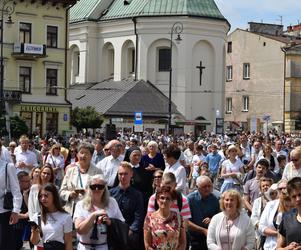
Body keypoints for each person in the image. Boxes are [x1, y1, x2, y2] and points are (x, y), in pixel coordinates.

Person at [73, 174, 125, 250]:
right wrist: (93, 216)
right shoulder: (81, 205)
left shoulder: (112, 202)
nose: (97, 189)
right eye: (93, 187)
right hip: (85, 247)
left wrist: (110, 222)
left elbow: (122, 224)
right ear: (88, 188)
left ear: (104, 188)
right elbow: (80, 230)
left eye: (100, 186)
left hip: (104, 246)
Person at [60, 142, 103, 214]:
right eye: (81, 152)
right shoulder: (70, 171)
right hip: (72, 209)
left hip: (90, 209)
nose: (83, 156)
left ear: (91, 156)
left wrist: (89, 193)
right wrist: (70, 194)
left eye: (86, 153)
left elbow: (102, 192)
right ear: (77, 154)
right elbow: (62, 191)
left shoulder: (97, 172)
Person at [110, 162, 144, 250]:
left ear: (131, 174)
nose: (123, 177)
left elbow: (139, 216)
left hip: (131, 235)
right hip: (113, 234)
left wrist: (131, 230)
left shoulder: (137, 195)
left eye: (126, 174)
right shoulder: (110, 194)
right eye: (120, 174)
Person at [30, 183, 73, 250]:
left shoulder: (66, 217)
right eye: (40, 196)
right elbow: (34, 242)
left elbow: (68, 242)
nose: (43, 199)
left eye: (46, 195)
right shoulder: (37, 216)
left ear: (54, 196)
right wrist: (34, 232)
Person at [144, 185, 186, 250]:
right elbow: (147, 245)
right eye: (162, 198)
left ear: (172, 202)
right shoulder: (149, 218)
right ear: (157, 200)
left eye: (168, 198)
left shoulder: (179, 218)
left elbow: (183, 243)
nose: (164, 201)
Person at [187, 175, 220, 250]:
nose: (207, 189)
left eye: (209, 186)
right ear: (197, 186)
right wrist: (203, 230)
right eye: (204, 186)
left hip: (211, 237)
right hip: (195, 238)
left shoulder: (215, 199)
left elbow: (220, 218)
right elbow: (187, 222)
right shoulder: (190, 200)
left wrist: (212, 219)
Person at [259, 180, 292, 250]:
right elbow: (261, 227)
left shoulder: (295, 205)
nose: (283, 190)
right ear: (277, 190)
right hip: (270, 246)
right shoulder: (270, 205)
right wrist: (278, 234)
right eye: (280, 188)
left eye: (285, 188)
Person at [0, 158, 22, 250]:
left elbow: (16, 190)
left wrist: (15, 211)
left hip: (3, 210)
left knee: (4, 243)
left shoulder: (8, 166)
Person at [277, 177, 301, 249]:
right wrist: (287, 248)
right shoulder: (287, 218)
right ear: (291, 199)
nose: (298, 199)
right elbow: (278, 248)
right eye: (294, 196)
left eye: (300, 194)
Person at [250, 177, 273, 250]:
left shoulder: (276, 201)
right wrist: (262, 228)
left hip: (273, 233)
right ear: (260, 189)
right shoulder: (257, 201)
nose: (265, 187)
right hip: (260, 233)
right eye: (263, 186)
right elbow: (254, 217)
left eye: (267, 185)